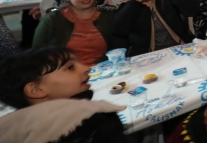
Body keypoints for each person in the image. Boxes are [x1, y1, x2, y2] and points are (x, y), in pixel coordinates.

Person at [0, 47, 128, 143]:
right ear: (36, 89)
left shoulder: (11, 130)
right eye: (70, 67)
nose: (86, 68)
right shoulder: (90, 120)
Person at [32, 0, 124, 64]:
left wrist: (96, 65)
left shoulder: (110, 15)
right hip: (64, 73)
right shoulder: (52, 20)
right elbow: (38, 55)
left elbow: (120, 48)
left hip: (107, 68)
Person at [113, 0, 198, 56]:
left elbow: (193, 11)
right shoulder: (128, 6)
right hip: (150, 55)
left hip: (180, 48)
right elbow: (119, 30)